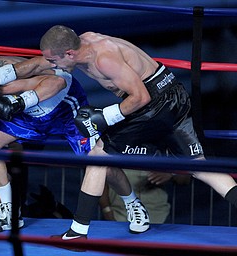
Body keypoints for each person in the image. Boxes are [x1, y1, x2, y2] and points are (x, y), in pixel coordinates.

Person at [35, 25, 237, 244]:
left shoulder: (103, 59)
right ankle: (129, 208)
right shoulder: (80, 42)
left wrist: (106, 116)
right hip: (172, 94)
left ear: (69, 54)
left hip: (153, 103)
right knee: (199, 166)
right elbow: (48, 59)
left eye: (54, 61)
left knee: (97, 154)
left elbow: (141, 97)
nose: (52, 65)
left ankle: (78, 232)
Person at [0, 55, 97, 233]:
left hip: (60, 104)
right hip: (26, 112)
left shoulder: (5, 81)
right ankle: (10, 213)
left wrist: (72, 57)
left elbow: (55, 78)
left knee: (97, 158)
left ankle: (131, 204)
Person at [100, 170, 191, 224]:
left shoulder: (164, 142)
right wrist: (106, 210)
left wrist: (171, 173)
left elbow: (185, 179)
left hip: (158, 218)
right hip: (119, 216)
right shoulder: (114, 141)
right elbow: (100, 176)